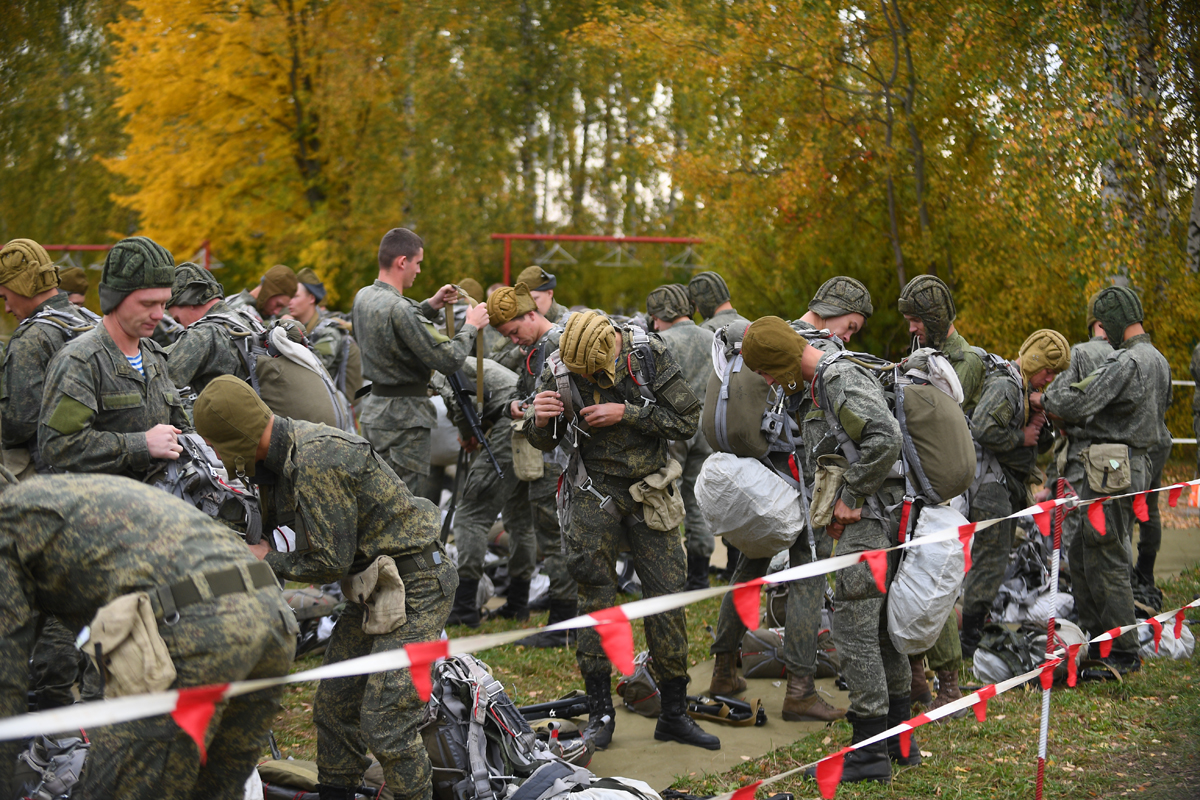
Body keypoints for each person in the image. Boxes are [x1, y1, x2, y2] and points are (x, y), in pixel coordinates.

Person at [193, 375, 457, 800]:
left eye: (218, 445)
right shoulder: (277, 462)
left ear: (237, 436)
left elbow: (330, 560)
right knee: (335, 708)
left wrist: (265, 558)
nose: (219, 456)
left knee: (387, 721)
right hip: (373, 584)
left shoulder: (318, 458)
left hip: (419, 582)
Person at [0, 474, 296, 800]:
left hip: (194, 629)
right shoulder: (67, 494)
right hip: (273, 617)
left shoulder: (9, 527)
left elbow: (8, 679)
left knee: (114, 789)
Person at [524, 310, 719, 751]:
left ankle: (673, 713)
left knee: (667, 597)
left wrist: (626, 412)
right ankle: (600, 714)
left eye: (595, 372)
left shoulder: (648, 356)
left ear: (611, 347)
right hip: (591, 492)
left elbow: (687, 421)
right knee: (596, 600)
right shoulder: (558, 364)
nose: (589, 378)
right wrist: (539, 421)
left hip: (651, 490)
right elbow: (541, 439)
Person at [742, 315, 910, 785]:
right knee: (878, 631)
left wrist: (851, 497)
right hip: (878, 518)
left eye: (769, 372)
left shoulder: (836, 377)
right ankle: (899, 741)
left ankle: (869, 751)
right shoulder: (815, 384)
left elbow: (885, 438)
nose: (769, 382)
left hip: (871, 521)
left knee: (856, 632)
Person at [707, 277, 871, 725]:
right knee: (808, 576)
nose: (847, 335)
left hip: (755, 480)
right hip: (801, 480)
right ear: (833, 309)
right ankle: (800, 691)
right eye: (850, 325)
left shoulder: (761, 339)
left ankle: (723, 669)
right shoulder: (816, 352)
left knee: (749, 565)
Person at [1035, 286, 1171, 676]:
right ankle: (1101, 643)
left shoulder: (1126, 363)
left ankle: (1122, 654)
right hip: (1133, 466)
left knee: (1108, 558)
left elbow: (1074, 401)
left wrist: (1044, 400)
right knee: (1088, 554)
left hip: (1110, 471)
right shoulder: (1158, 359)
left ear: (1110, 320)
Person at [0, 238, 102, 712]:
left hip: (53, 485)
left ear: (22, 287)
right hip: (107, 476)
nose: (4, 301)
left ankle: (52, 708)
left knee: (50, 598)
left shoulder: (33, 338)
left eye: (6, 290)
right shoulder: (91, 321)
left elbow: (20, 422)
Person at [896, 273, 985, 712]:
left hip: (946, 491)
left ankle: (948, 681)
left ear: (934, 318)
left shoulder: (965, 360)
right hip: (914, 487)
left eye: (916, 320)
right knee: (907, 579)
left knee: (938, 587)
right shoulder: (920, 354)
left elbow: (932, 409)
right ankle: (915, 676)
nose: (911, 328)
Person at [38, 236, 191, 481]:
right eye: (147, 303)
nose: (158, 314)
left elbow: (179, 425)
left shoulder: (154, 354)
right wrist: (141, 444)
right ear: (115, 298)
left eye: (164, 303)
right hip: (104, 510)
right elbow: (58, 445)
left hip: (161, 504)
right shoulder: (81, 361)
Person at [353, 227, 488, 499]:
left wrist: (432, 304)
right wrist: (471, 327)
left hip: (374, 413)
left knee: (375, 500)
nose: (419, 270)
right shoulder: (400, 308)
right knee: (404, 505)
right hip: (404, 423)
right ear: (402, 261)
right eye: (418, 263)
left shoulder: (364, 297)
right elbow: (448, 360)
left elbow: (398, 326)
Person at [960, 330, 1068, 657]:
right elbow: (983, 428)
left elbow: (1039, 442)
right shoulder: (1007, 384)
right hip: (989, 484)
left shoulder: (1023, 388)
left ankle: (973, 630)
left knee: (995, 558)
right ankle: (968, 641)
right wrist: (1021, 437)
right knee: (990, 561)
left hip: (1003, 485)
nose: (1049, 378)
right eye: (1048, 370)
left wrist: (1041, 423)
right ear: (1034, 359)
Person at [487, 283, 578, 647]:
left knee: (554, 538)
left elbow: (559, 401)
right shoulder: (539, 348)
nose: (513, 340)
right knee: (550, 536)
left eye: (513, 332)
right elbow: (533, 395)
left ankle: (563, 623)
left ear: (530, 315)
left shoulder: (555, 346)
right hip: (547, 453)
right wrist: (518, 404)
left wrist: (524, 408)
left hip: (557, 457)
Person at [646, 284, 716, 589]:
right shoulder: (713, 338)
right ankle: (700, 575)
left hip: (673, 427)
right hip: (709, 427)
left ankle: (668, 570)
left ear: (661, 315)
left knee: (665, 496)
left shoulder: (660, 340)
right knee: (698, 499)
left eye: (653, 318)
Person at [1049, 292, 1113, 552]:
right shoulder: (1131, 356)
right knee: (1111, 530)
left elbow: (1054, 403)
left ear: (1092, 323)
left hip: (1081, 460)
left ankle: (1072, 586)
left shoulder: (1080, 354)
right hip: (1120, 461)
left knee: (1074, 530)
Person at [165, 261, 255, 395]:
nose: (182, 326)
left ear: (190, 300)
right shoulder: (245, 320)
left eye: (178, 319)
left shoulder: (203, 335)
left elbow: (158, 375)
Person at [290, 267, 364, 399]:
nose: (289, 301)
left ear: (311, 298)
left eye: (295, 296)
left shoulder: (328, 331)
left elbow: (314, 366)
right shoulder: (305, 328)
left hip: (333, 409)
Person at [226, 263, 298, 323]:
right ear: (268, 292)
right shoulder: (234, 310)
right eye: (278, 304)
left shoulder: (266, 316)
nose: (277, 312)